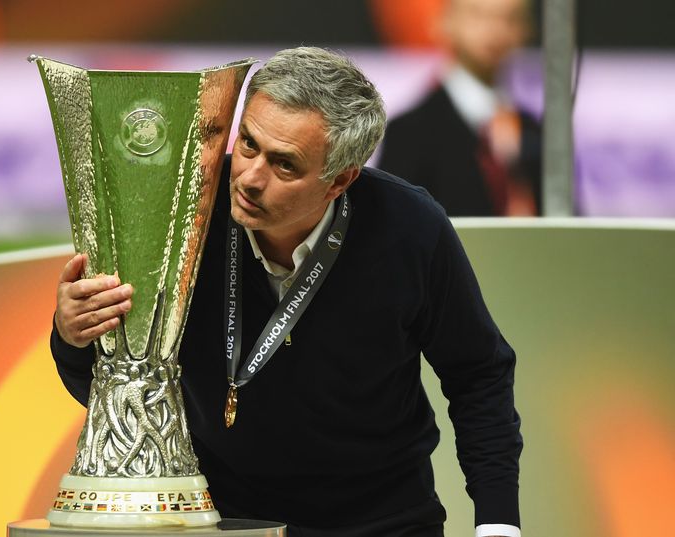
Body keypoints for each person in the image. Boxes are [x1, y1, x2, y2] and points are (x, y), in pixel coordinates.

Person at [51, 47, 522, 537]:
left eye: (285, 166)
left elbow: (479, 376)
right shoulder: (182, 210)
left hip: (384, 521)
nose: (250, 178)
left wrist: (498, 523)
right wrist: (74, 335)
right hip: (225, 520)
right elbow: (118, 383)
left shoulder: (412, 227)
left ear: (340, 179)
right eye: (249, 145)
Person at [378, 0, 542, 217]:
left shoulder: (534, 131)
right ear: (443, 22)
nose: (494, 30)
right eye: (478, 15)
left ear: (527, 28)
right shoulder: (410, 132)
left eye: (509, 18)